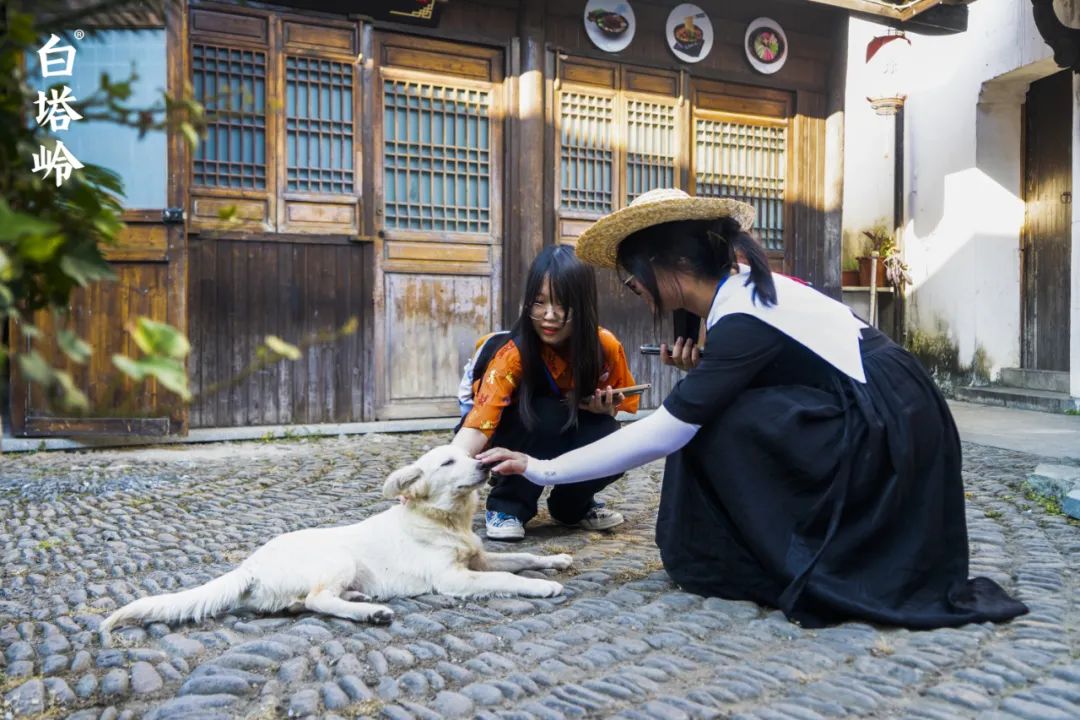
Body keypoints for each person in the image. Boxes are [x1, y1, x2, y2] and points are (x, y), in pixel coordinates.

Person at [478, 187, 1028, 629]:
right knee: (719, 415)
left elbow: (665, 431)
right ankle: (749, 550)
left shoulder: (743, 314)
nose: (633, 290)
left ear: (662, 264)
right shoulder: (735, 298)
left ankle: (777, 556)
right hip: (879, 405)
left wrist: (541, 468)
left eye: (631, 277)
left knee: (711, 426)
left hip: (891, 422)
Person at [452, 244, 640, 541]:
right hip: (510, 433)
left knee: (612, 437)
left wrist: (605, 409)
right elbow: (478, 424)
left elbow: (619, 406)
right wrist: (437, 471)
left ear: (583, 304)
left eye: (561, 304)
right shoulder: (512, 353)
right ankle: (508, 506)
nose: (549, 316)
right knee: (547, 415)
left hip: (565, 429)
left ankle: (572, 507)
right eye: (539, 303)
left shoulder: (604, 346)